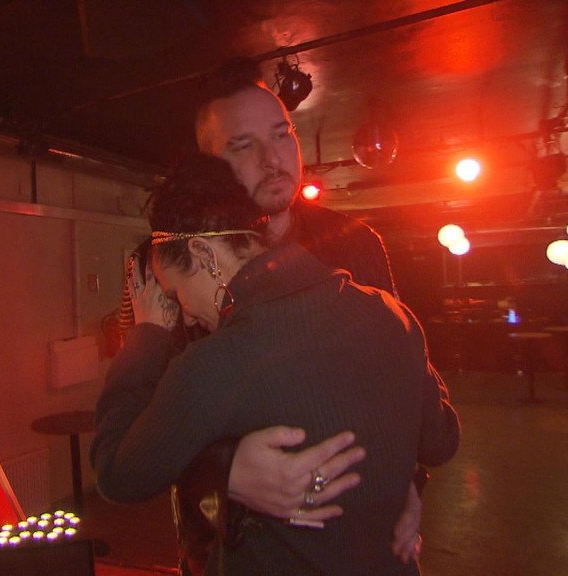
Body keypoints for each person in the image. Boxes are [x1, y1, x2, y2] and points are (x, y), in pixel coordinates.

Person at [117, 59, 459, 571]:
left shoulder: (355, 245)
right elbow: (146, 416)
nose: (272, 158)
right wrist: (223, 471)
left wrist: (403, 479)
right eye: (242, 145)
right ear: (207, 169)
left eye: (282, 135)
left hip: (357, 539)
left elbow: (403, 378)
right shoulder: (166, 259)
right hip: (222, 542)